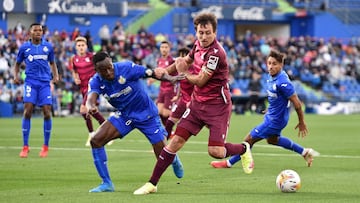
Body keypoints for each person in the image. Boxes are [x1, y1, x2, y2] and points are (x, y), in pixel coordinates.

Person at [134, 13, 254, 195]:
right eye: (200, 33)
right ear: (196, 32)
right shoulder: (197, 45)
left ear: (215, 32)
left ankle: (243, 148)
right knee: (174, 142)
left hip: (217, 107)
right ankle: (152, 184)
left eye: (207, 33)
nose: (203, 37)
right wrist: (162, 73)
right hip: (197, 105)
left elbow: (200, 80)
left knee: (216, 152)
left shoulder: (216, 53)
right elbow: (185, 61)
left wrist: (182, 73)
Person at [86, 52, 184, 193]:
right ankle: (106, 184)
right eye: (103, 70)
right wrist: (90, 106)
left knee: (162, 155)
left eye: (110, 67)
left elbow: (151, 72)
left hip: (146, 114)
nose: (109, 72)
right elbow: (90, 97)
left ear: (112, 62)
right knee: (96, 140)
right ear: (96, 70)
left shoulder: (126, 67)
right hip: (125, 116)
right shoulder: (95, 81)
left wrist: (170, 78)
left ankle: (174, 160)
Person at [210, 49, 320, 169]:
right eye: (269, 63)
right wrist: (271, 108)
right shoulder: (271, 76)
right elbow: (277, 98)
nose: (271, 67)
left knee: (248, 140)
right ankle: (304, 152)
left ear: (281, 65)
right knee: (273, 140)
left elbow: (297, 103)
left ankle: (228, 163)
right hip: (274, 115)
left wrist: (301, 122)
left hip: (275, 120)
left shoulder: (283, 82)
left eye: (274, 64)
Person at [14, 23, 59, 158]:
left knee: (47, 112)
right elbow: (17, 64)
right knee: (27, 111)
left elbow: (52, 63)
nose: (38, 32)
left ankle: (45, 146)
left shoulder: (48, 47)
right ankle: (25, 146)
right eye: (36, 30)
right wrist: (15, 76)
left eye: (40, 30)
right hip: (31, 83)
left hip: (45, 83)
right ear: (30, 32)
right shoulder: (24, 48)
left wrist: (56, 75)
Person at [69, 36, 107, 146]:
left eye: (83, 45)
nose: (81, 47)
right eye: (79, 46)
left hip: (92, 86)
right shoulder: (74, 59)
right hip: (83, 87)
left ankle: (91, 134)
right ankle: (105, 126)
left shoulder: (92, 57)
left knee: (83, 109)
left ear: (86, 46)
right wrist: (75, 78)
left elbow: (100, 67)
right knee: (90, 110)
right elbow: (74, 70)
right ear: (76, 47)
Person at [164, 47, 194, 137]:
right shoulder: (179, 66)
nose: (182, 57)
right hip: (182, 99)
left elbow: (198, 85)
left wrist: (192, 99)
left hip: (194, 101)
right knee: (169, 123)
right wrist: (177, 96)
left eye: (185, 54)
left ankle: (221, 144)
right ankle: (162, 147)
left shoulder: (195, 68)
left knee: (207, 124)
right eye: (181, 54)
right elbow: (181, 83)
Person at [155, 40, 176, 125]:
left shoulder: (172, 61)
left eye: (166, 47)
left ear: (169, 49)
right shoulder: (159, 60)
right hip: (161, 89)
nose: (164, 49)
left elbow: (174, 76)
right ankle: (166, 130)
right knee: (159, 111)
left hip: (169, 89)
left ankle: (169, 130)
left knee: (166, 113)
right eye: (162, 47)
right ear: (160, 48)